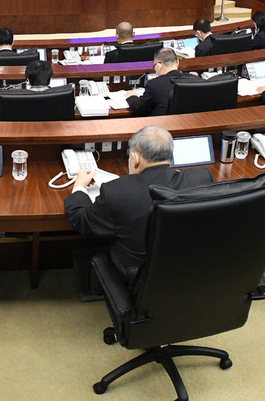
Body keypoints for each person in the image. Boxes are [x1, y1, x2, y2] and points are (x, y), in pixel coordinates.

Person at [65, 126, 213, 285]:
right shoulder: (202, 179)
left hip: (140, 278)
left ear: (135, 158)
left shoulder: (116, 192)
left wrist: (79, 186)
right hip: (190, 272)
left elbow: (83, 221)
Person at [126, 49, 184, 117]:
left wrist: (132, 97)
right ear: (177, 63)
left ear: (159, 66)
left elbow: (139, 108)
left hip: (162, 122)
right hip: (188, 121)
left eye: (154, 66)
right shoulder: (194, 80)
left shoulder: (154, 84)